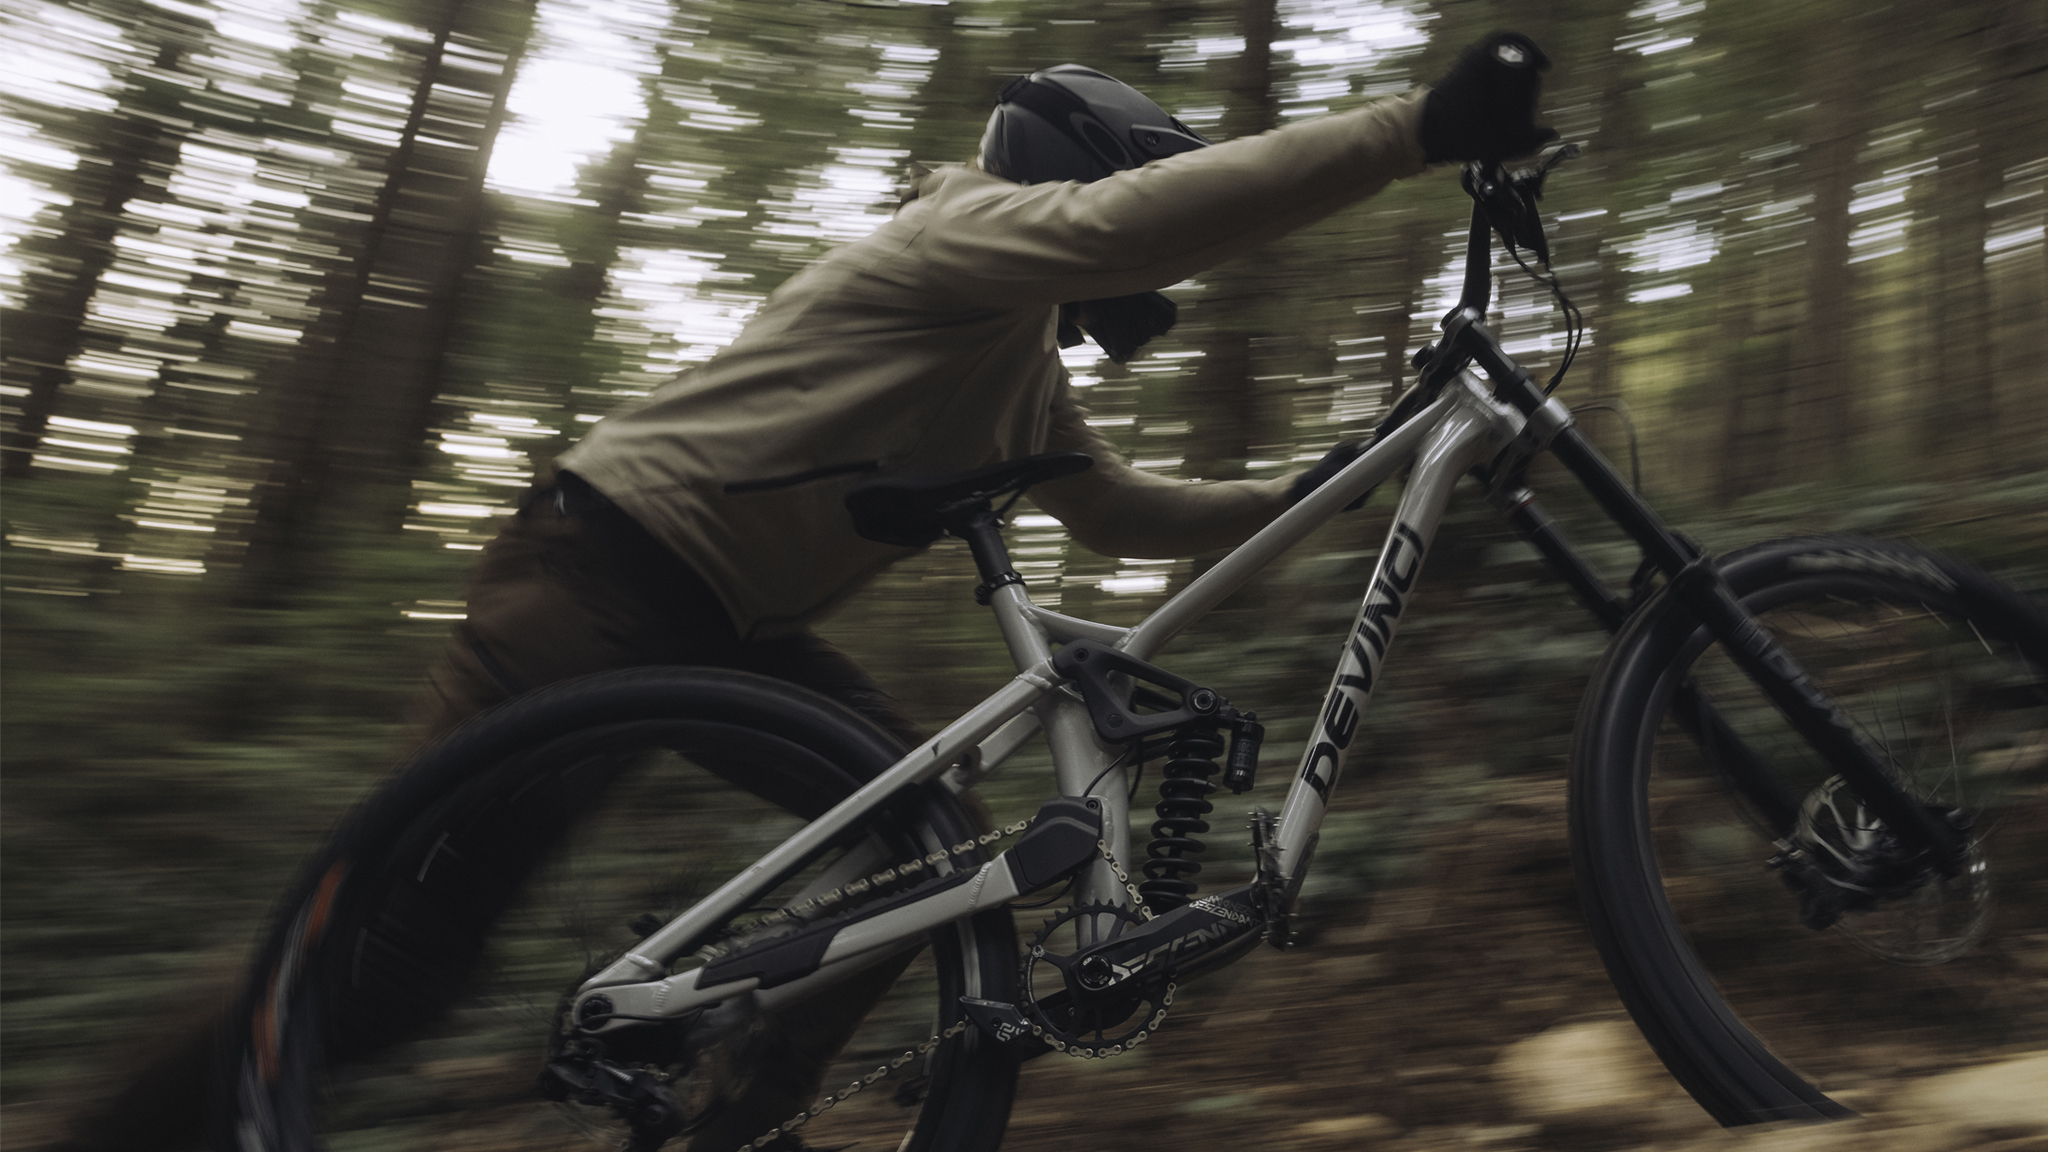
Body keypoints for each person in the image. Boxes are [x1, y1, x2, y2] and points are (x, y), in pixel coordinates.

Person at [51, 30, 1554, 1152]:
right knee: (385, 967)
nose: (1133, 283)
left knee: (929, 833)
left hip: (731, 634)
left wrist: (1337, 481)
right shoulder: (959, 232)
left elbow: (1118, 515)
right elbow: (1126, 230)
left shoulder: (1018, 367)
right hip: (596, 577)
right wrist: (1412, 129)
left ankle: (745, 1108)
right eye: (1124, 196)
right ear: (1073, 169)